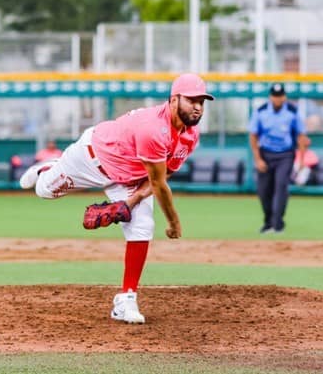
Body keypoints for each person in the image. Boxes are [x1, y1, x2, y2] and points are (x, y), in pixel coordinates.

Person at [19, 73, 214, 324]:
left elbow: (160, 177)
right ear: (174, 99)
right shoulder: (154, 129)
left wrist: (130, 203)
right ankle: (46, 169)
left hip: (127, 178)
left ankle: (126, 298)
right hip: (91, 158)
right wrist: (174, 222)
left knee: (142, 225)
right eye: (192, 100)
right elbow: (159, 184)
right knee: (44, 191)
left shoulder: (190, 136)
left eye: (202, 101)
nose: (198, 107)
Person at [248, 83, 307, 234]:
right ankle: (268, 222)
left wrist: (301, 159)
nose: (278, 99)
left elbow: (301, 136)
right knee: (263, 191)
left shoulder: (292, 111)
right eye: (275, 96)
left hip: (285, 155)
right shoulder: (261, 111)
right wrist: (258, 159)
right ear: (270, 97)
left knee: (281, 187)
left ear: (284, 97)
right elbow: (253, 136)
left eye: (280, 96)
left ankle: (278, 224)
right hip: (266, 153)